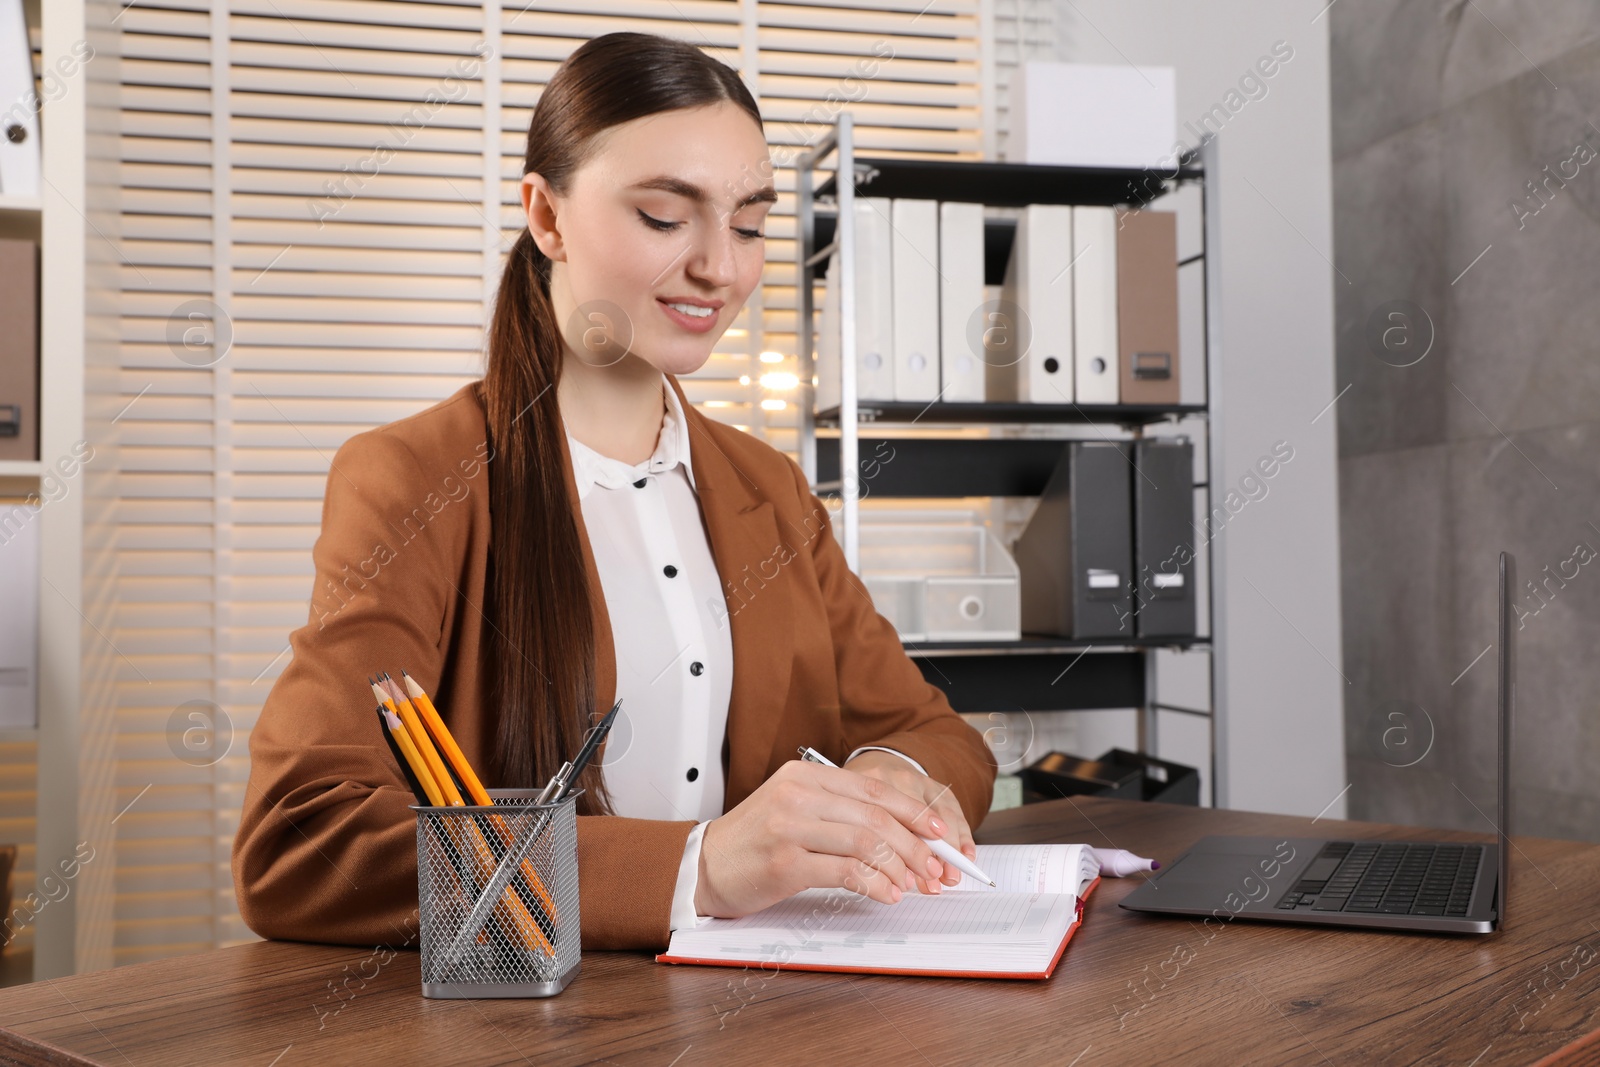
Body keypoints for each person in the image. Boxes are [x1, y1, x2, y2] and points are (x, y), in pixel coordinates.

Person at [232, 30, 997, 952]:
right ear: (546, 218)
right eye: (667, 217)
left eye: (750, 224)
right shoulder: (416, 479)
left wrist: (885, 775)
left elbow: (934, 732)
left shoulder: (771, 490)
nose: (721, 266)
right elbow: (302, 842)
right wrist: (701, 867)